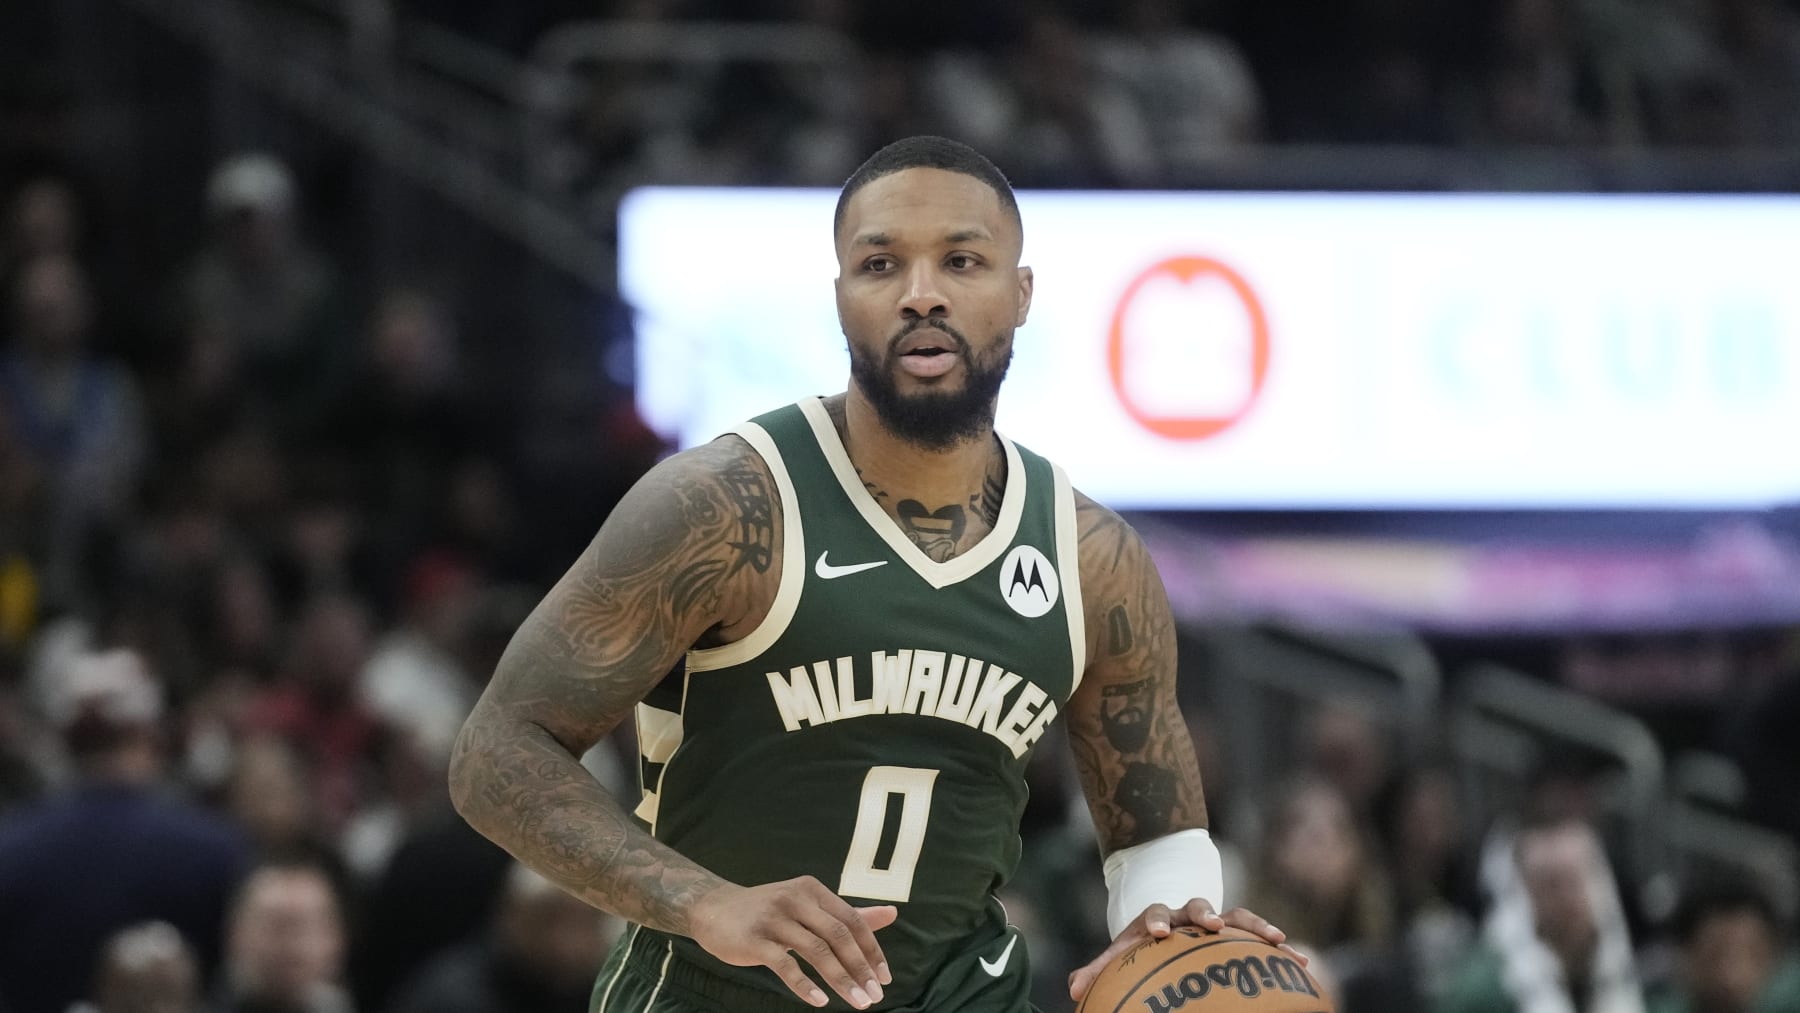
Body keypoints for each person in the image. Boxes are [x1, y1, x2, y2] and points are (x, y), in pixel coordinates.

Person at [449, 135, 1292, 1013]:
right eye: (881, 263)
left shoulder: (1094, 558)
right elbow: (494, 752)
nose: (921, 293)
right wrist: (700, 900)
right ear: (842, 298)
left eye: (962, 260)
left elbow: (1156, 833)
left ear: (1022, 293)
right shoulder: (727, 507)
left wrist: (1171, 936)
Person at [1647, 879, 1800, 1013]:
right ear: (1684, 953)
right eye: (1715, 956)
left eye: (1752, 955)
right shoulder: (1639, 1005)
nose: (1732, 977)